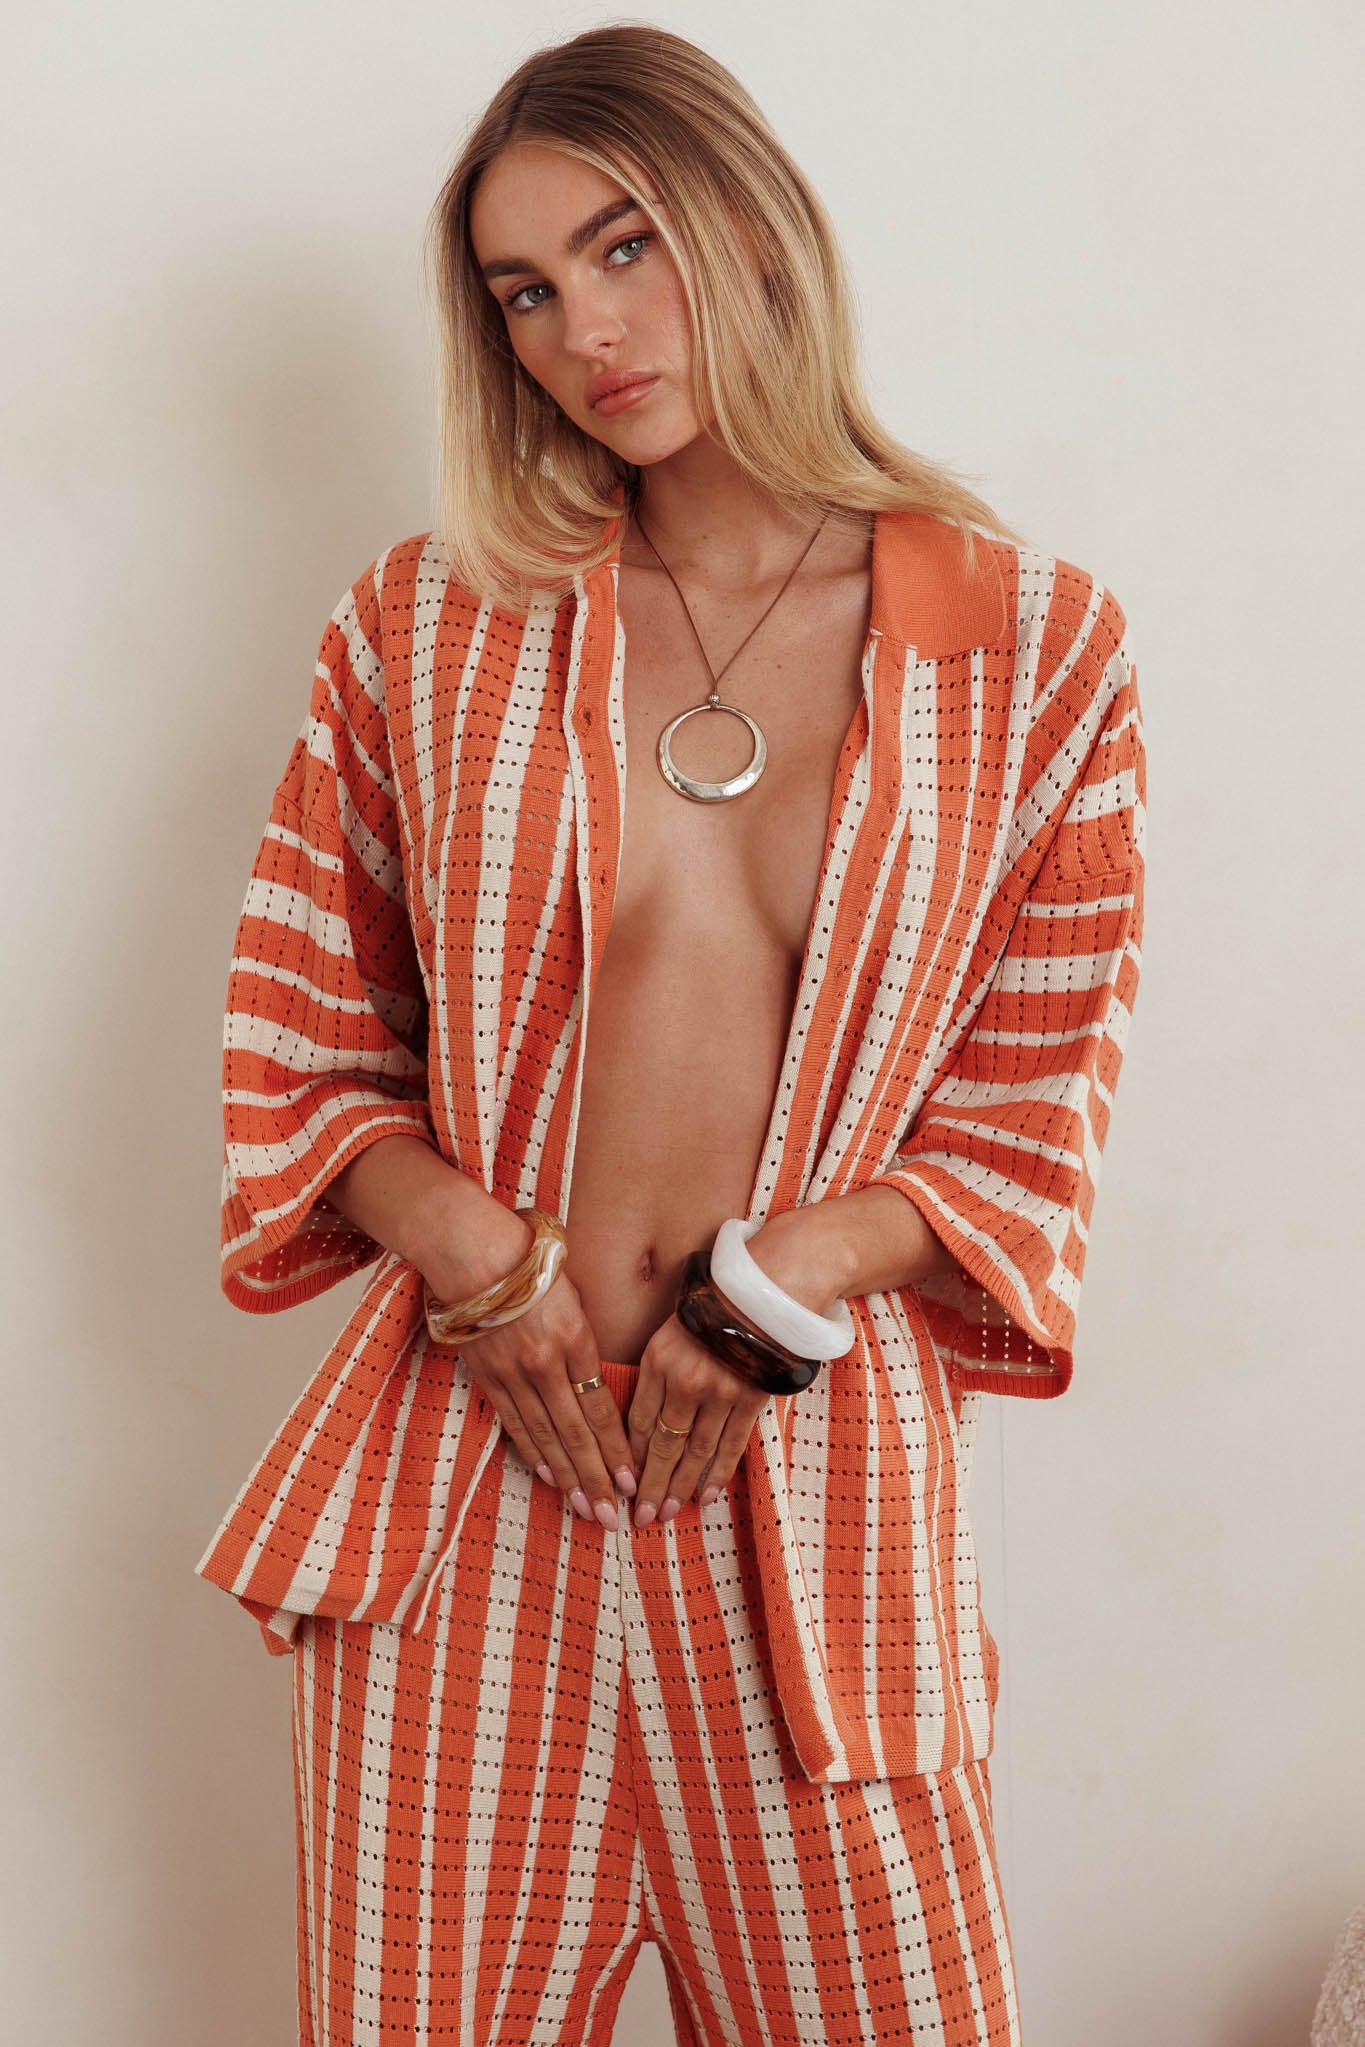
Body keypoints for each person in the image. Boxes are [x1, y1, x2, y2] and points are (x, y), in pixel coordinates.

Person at [194, 23, 1146, 2047]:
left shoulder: (1032, 646)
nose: (584, 333)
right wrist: (466, 1247)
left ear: (754, 227)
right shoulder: (425, 625)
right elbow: (298, 1031)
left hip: (814, 1525)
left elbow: (1033, 1098)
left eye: (623, 247)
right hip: (467, 1495)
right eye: (524, 292)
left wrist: (785, 1281)